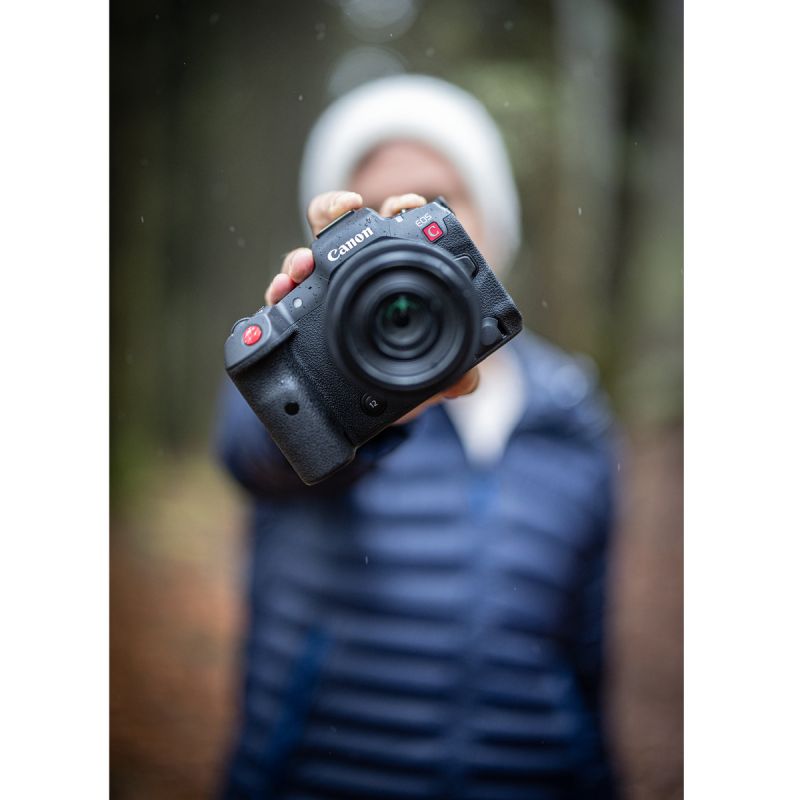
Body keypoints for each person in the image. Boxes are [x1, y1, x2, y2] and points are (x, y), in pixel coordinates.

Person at [217, 75, 617, 799]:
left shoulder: (572, 416)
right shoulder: (313, 384)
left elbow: (585, 655)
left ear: (489, 220)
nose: (393, 229)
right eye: (367, 209)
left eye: (435, 200)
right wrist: (363, 399)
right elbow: (256, 451)